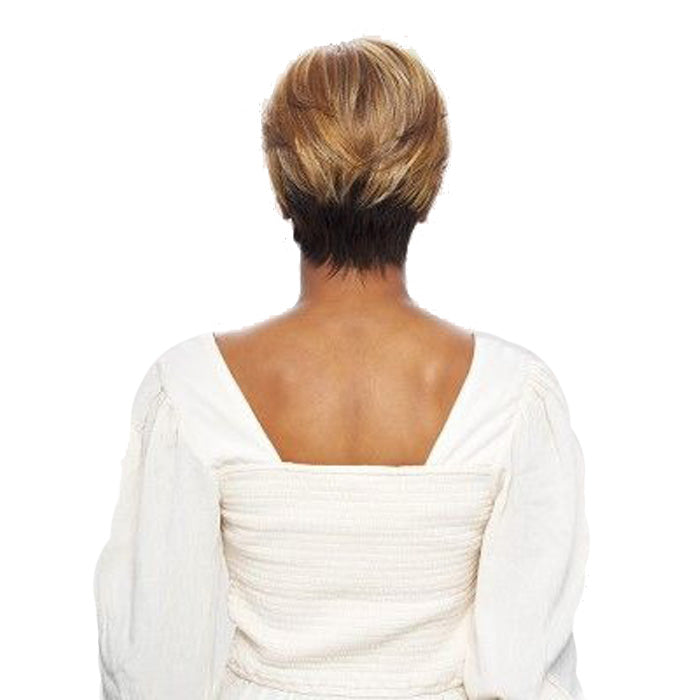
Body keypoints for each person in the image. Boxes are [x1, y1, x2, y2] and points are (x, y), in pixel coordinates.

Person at [93, 37, 589, 699]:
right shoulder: (516, 396)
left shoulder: (188, 390)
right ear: (428, 187)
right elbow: (525, 674)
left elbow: (156, 667)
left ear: (283, 189)